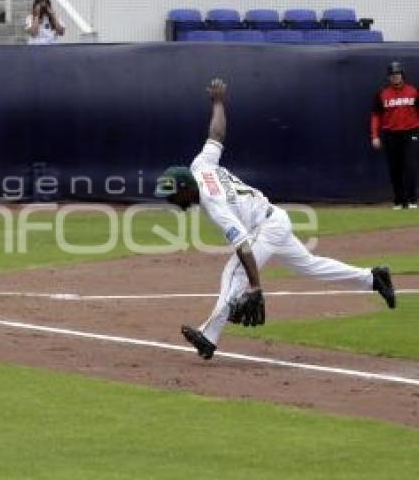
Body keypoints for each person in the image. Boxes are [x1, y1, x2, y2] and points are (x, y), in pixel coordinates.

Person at [154, 78, 397, 360]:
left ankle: (209, 336)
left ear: (185, 188)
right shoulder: (200, 166)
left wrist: (255, 284)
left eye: (172, 197)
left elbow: (243, 245)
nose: (171, 202)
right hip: (275, 219)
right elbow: (216, 134)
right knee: (310, 266)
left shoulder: (212, 201)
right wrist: (218, 102)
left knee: (234, 272)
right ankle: (372, 279)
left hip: (265, 227)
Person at [371, 61, 419, 209]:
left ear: (402, 75)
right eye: (392, 75)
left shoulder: (413, 91)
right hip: (390, 134)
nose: (395, 78)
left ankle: (412, 200)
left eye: (397, 74)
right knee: (394, 168)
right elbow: (375, 115)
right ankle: (399, 200)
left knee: (410, 166)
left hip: (411, 132)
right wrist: (375, 136)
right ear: (389, 77)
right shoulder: (382, 94)